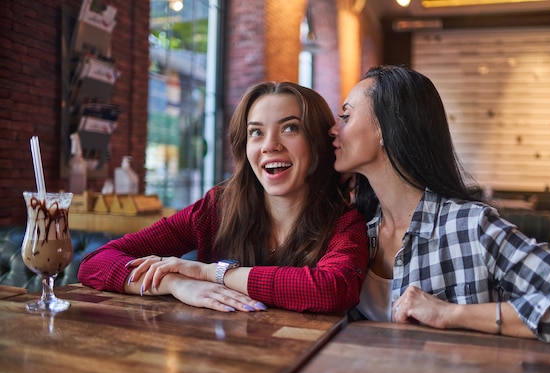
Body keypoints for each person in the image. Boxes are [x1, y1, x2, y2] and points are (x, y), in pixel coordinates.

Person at [329, 64, 550, 344]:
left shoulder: (472, 228)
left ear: (386, 126)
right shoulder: (354, 233)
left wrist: (452, 314)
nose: (334, 129)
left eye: (346, 116)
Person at [79, 81, 369, 313]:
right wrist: (176, 283)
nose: (269, 145)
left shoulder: (344, 221)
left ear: (319, 141)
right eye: (256, 132)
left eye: (290, 128)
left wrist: (210, 274)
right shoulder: (216, 208)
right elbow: (95, 263)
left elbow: (334, 289)